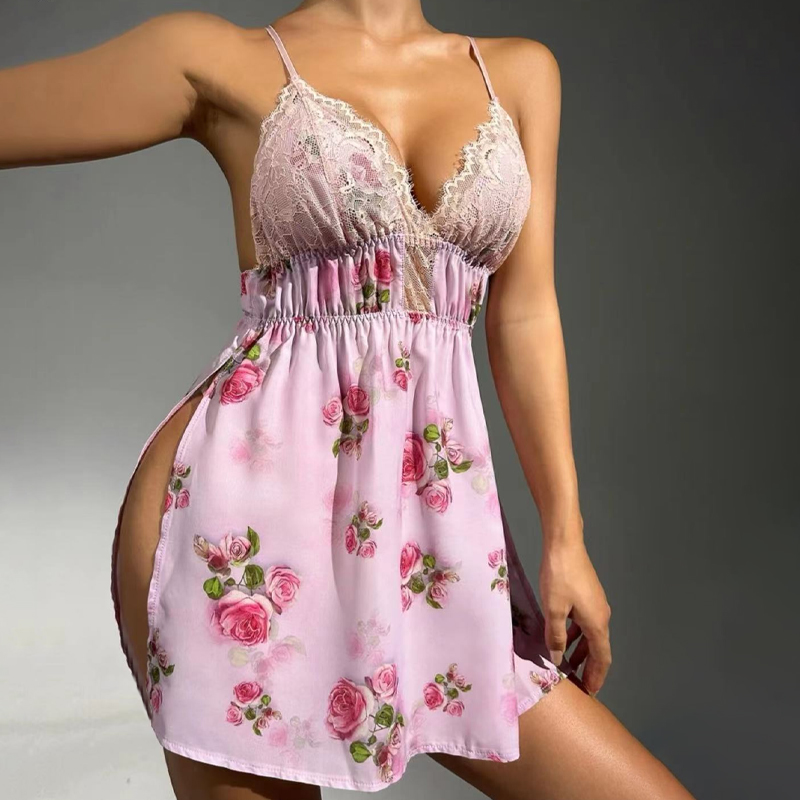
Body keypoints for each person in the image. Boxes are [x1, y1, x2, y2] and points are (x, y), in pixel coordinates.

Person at [0, 2, 698, 798]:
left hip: (434, 542)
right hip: (241, 535)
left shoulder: (518, 73)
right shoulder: (218, 57)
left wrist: (565, 535)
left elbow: (525, 312)